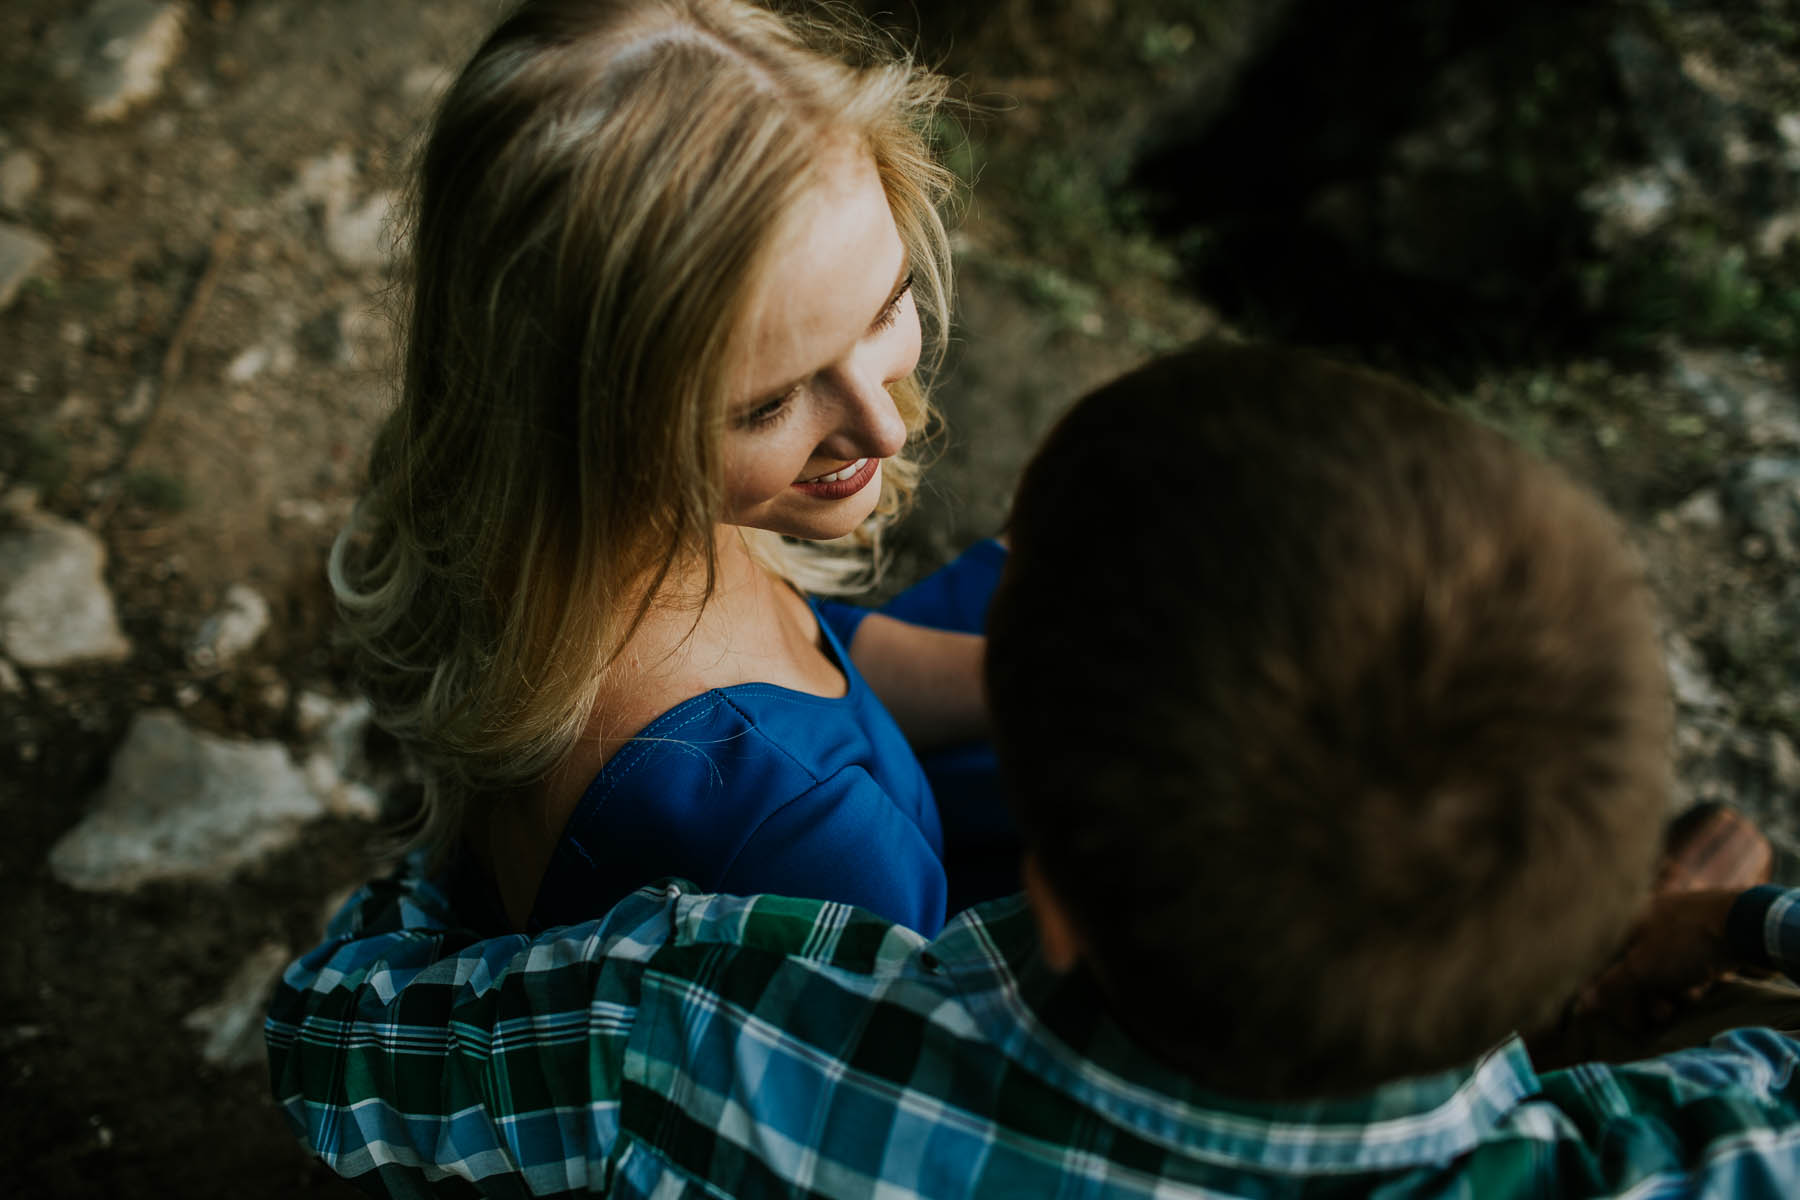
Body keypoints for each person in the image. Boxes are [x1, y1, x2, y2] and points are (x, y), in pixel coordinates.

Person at [270, 343, 1800, 1197]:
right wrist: (1742, 929)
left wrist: (457, 864)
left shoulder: (700, 1028)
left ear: (1054, 907)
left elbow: (334, 1045)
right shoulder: (1669, 1168)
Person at [330, 0, 1014, 940]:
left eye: (886, 307)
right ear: (578, 415)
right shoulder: (815, 848)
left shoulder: (570, 529)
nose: (884, 428)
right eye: (768, 405)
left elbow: (816, 664)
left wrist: (1024, 679)